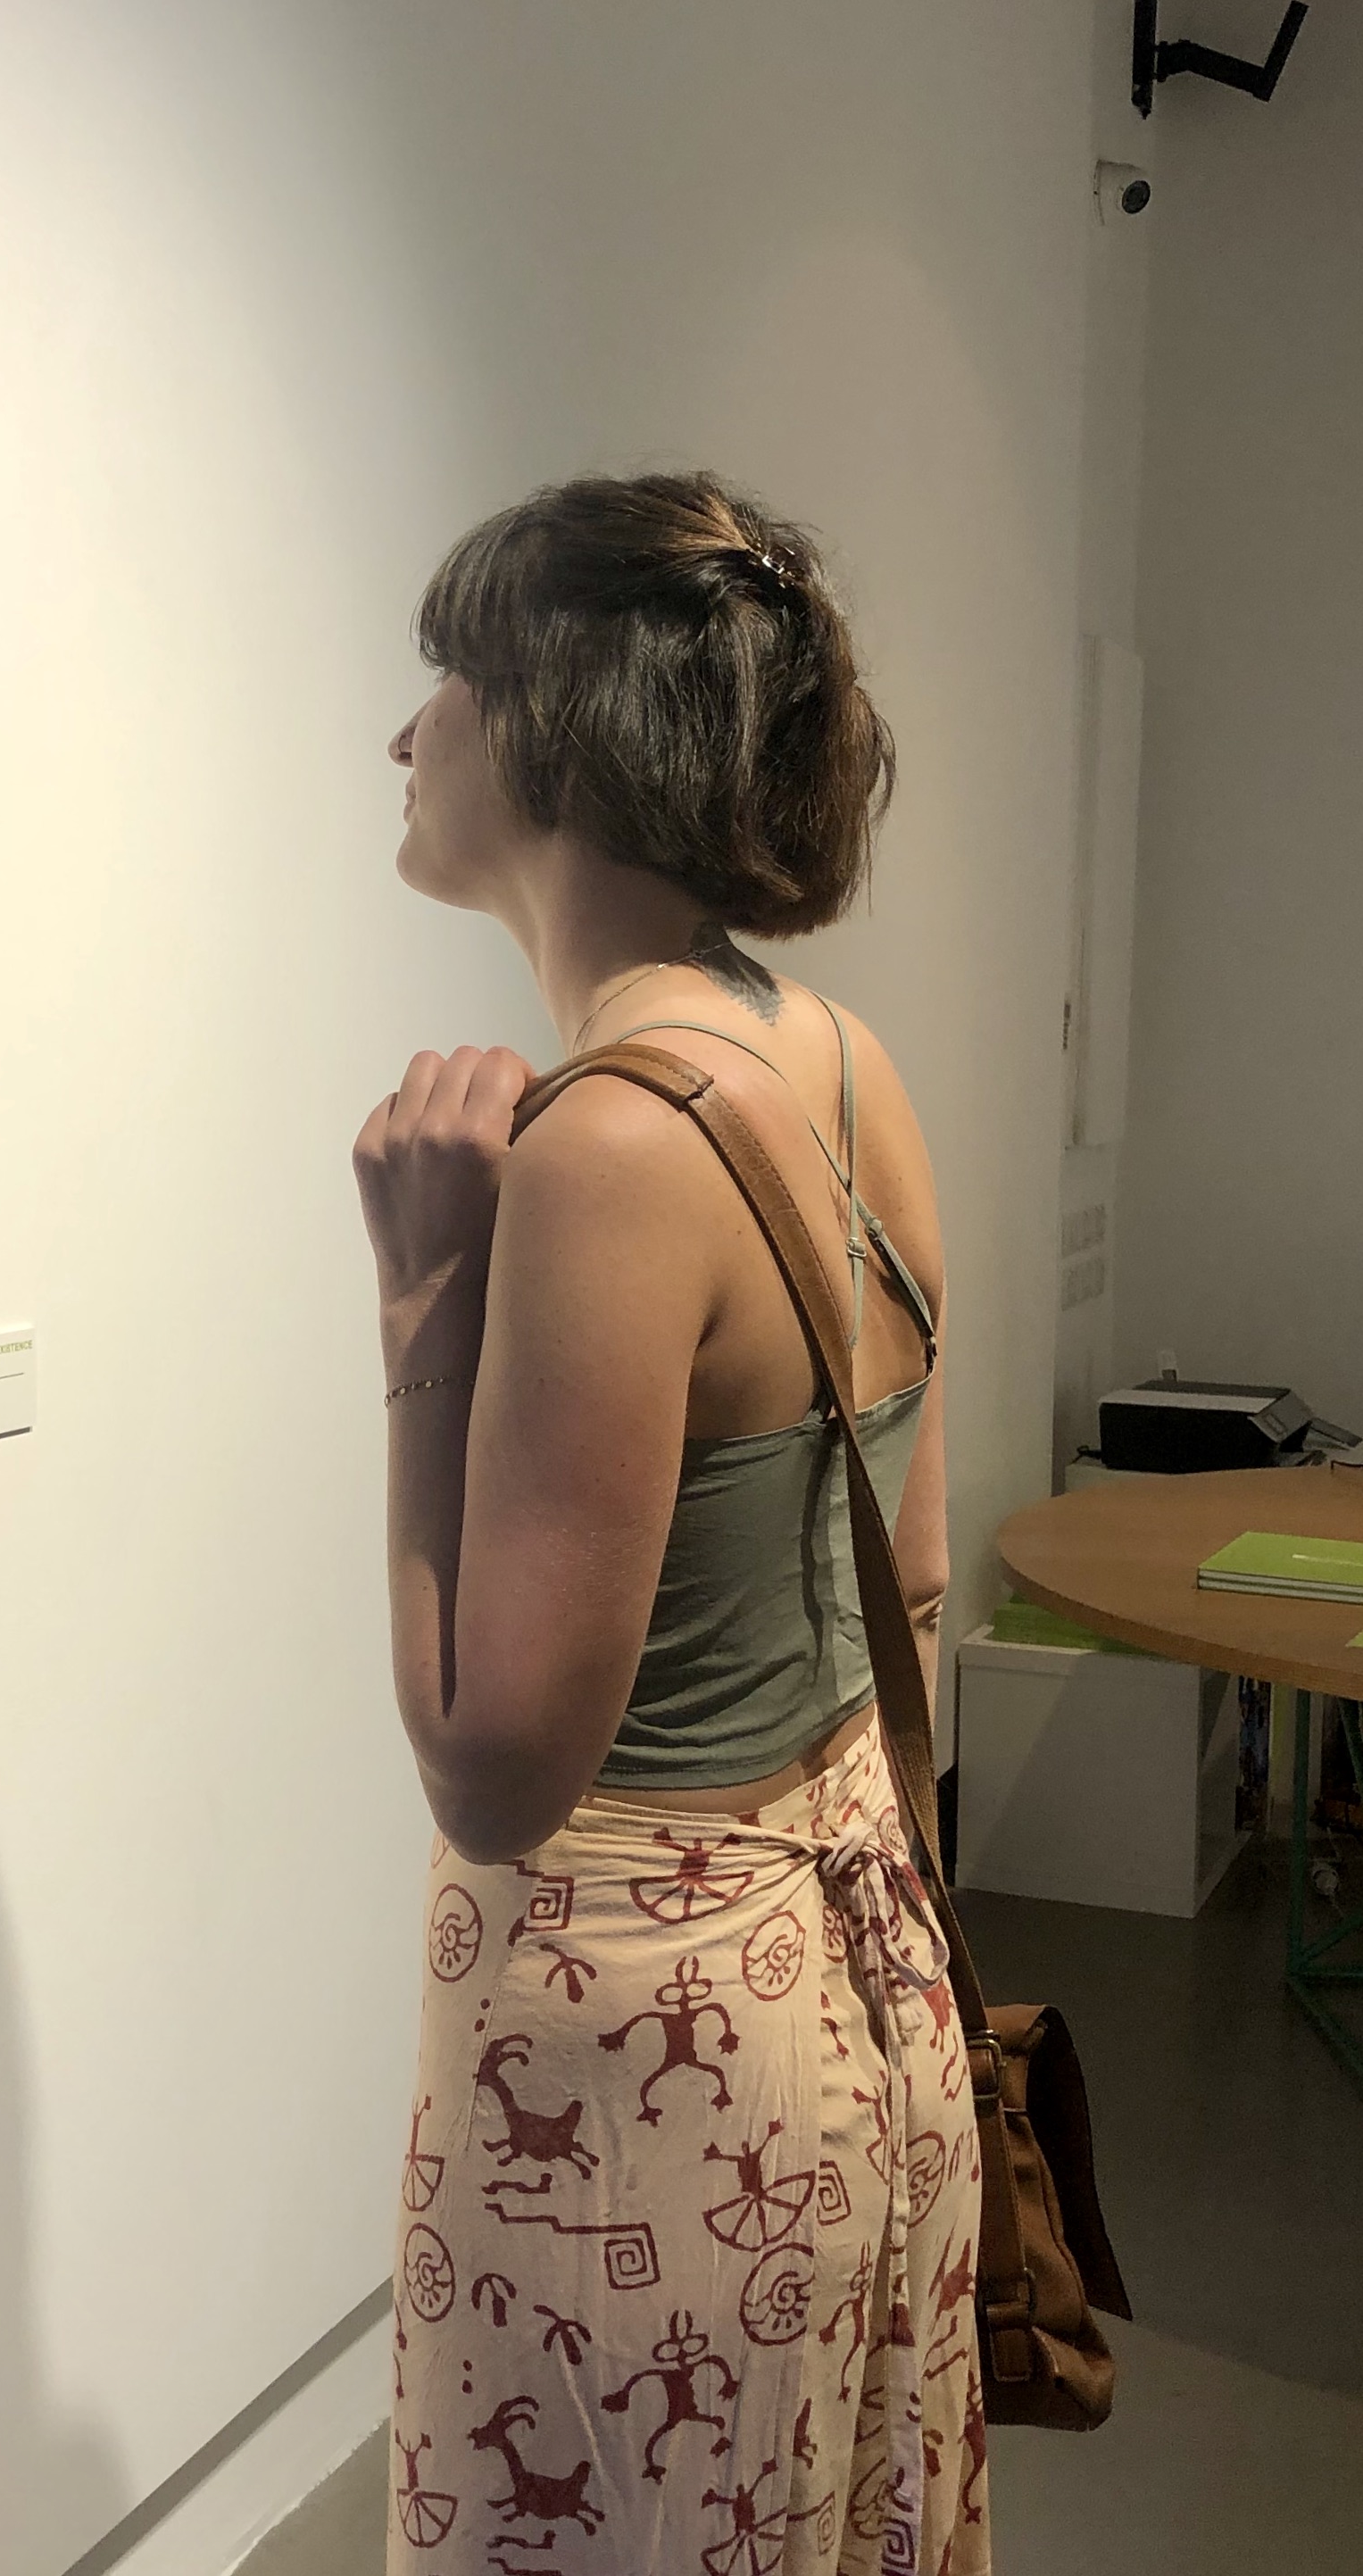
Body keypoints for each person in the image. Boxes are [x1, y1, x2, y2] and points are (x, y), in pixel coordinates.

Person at [353, 472, 986, 2576]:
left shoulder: (607, 1148)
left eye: (445, 679)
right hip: (855, 1981)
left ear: (554, 721)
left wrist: (422, 1303)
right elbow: (908, 1573)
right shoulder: (839, 1057)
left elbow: (497, 1771)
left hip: (648, 2055)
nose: (406, 732)